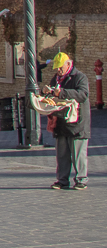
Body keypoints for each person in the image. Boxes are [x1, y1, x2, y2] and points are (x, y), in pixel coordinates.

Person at [46, 52, 90, 190]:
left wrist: (62, 93)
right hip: (61, 122)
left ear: (68, 64)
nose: (58, 71)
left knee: (78, 155)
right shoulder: (56, 79)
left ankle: (81, 180)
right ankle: (62, 180)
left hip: (77, 123)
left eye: (60, 67)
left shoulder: (79, 77)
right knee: (62, 155)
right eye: (57, 68)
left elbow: (83, 95)